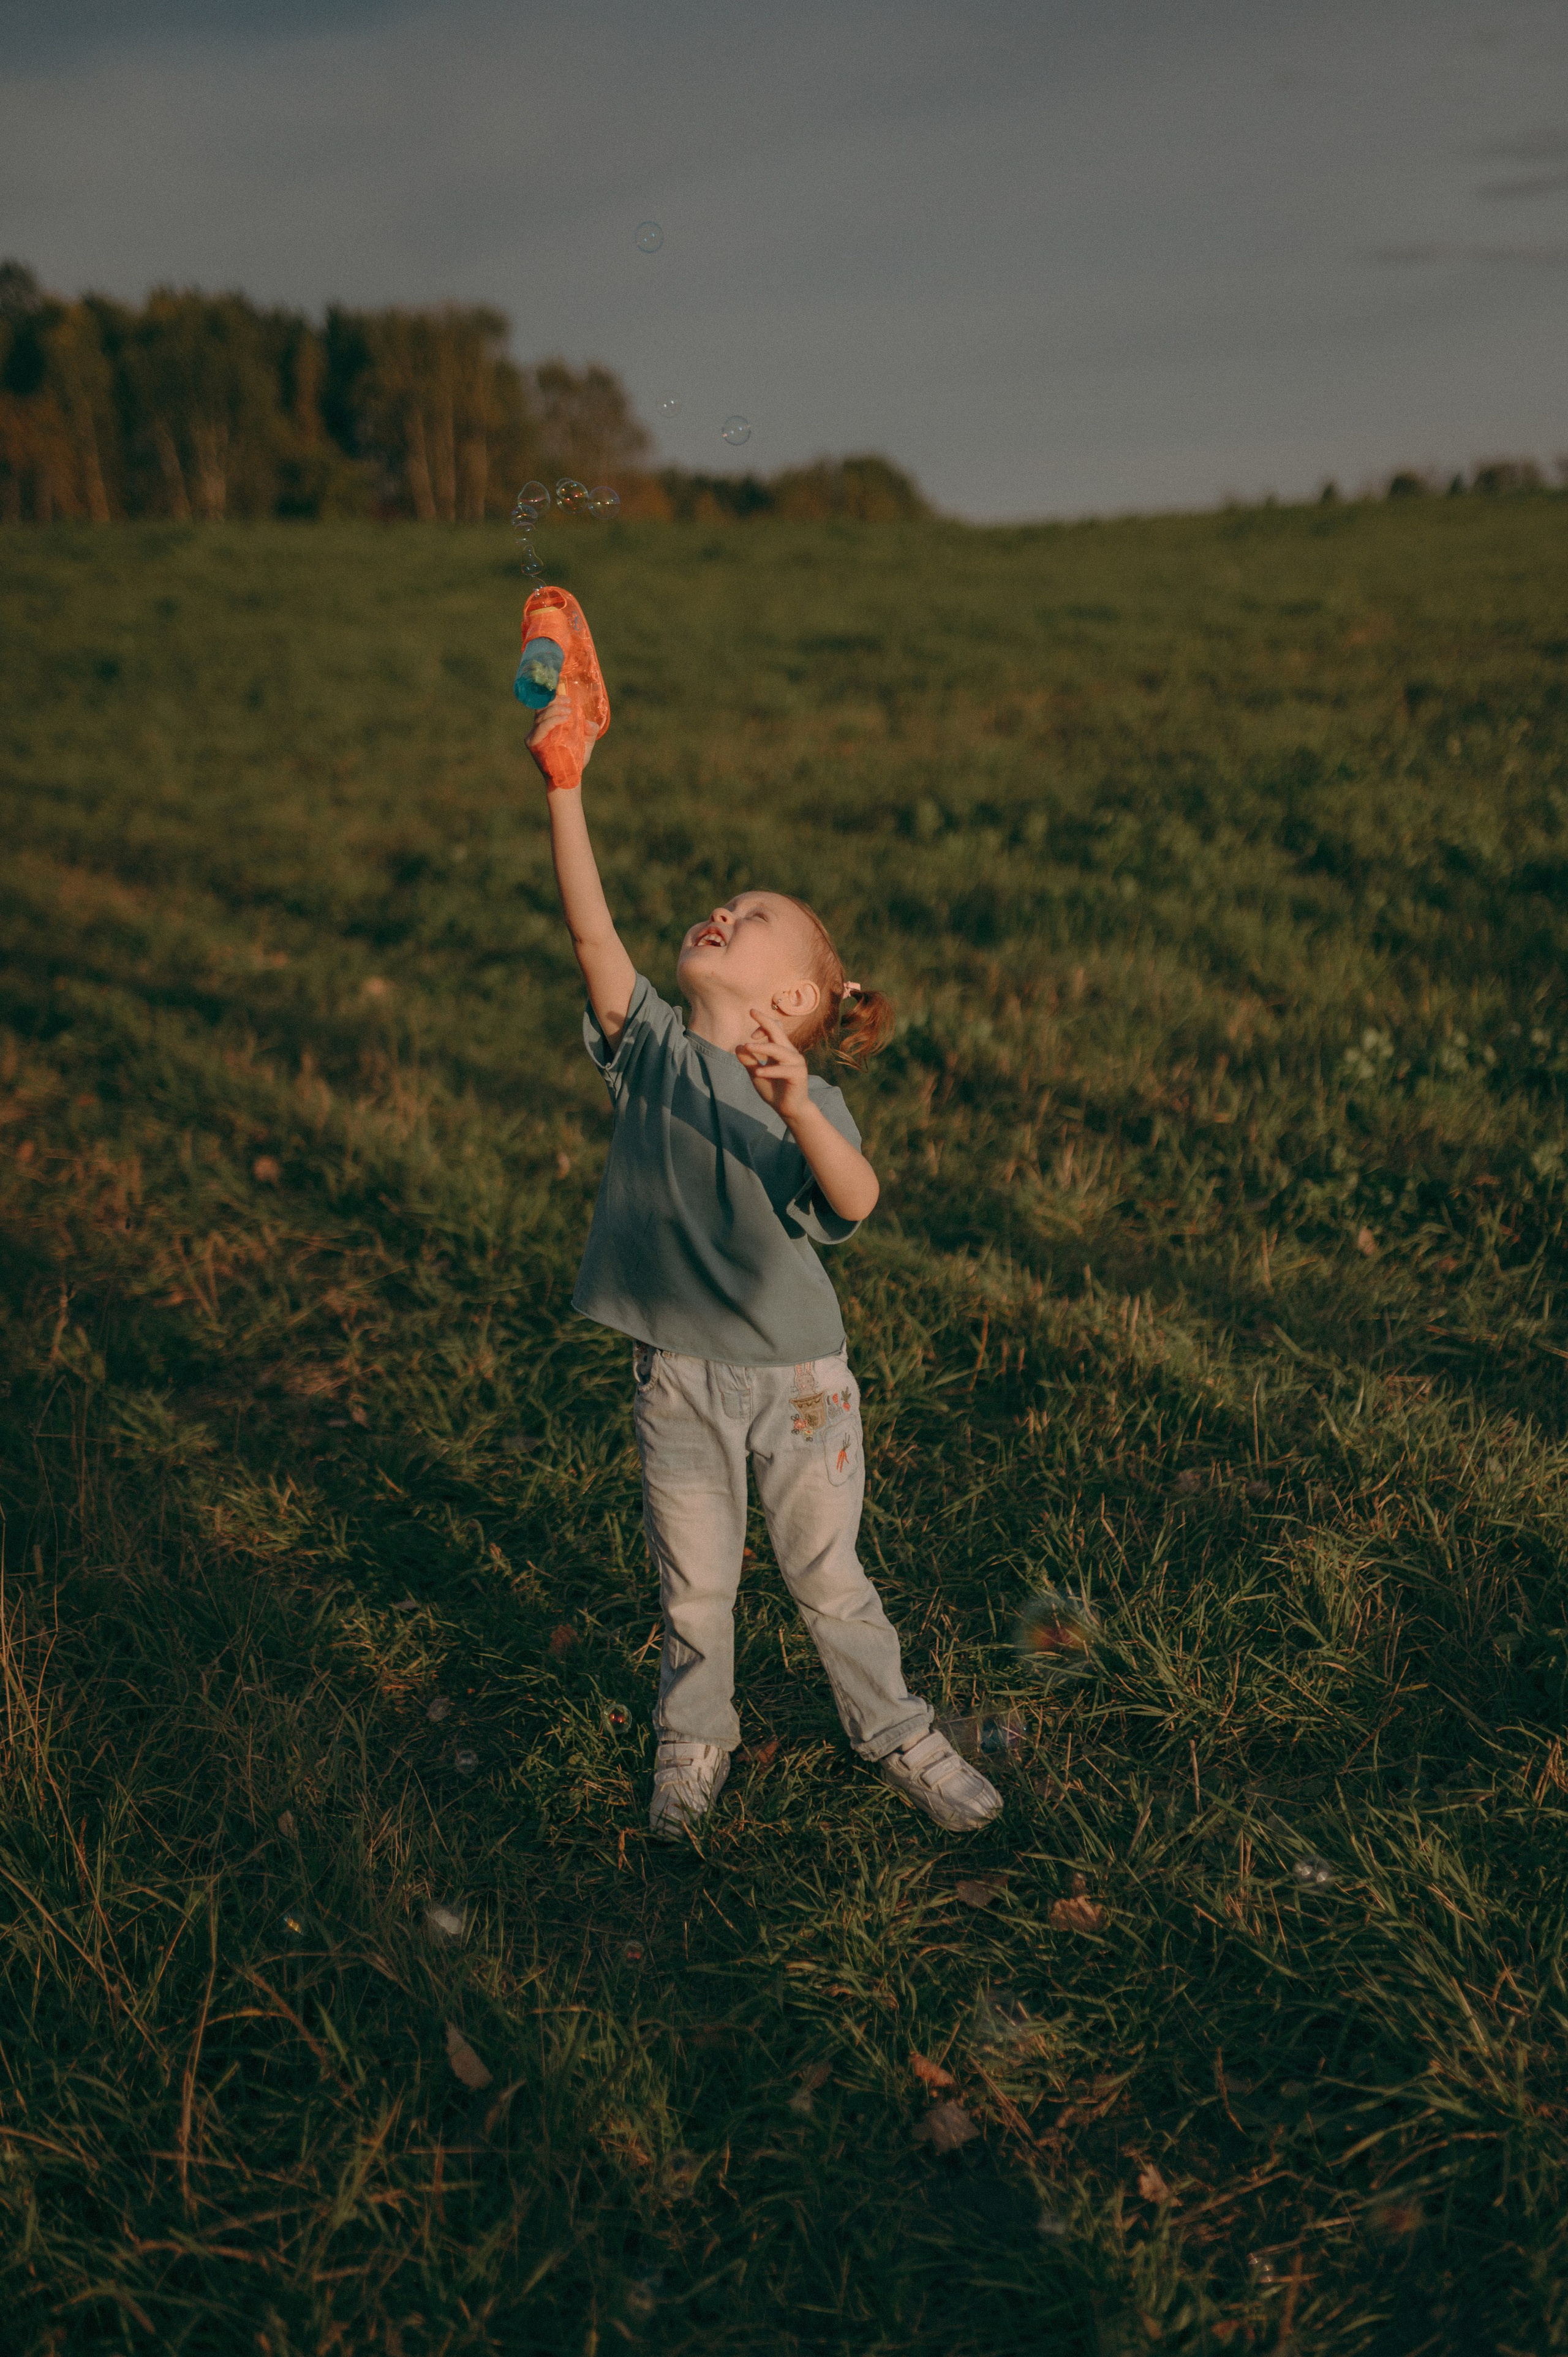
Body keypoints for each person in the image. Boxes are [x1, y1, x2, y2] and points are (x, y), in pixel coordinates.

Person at [521, 583, 1002, 1841]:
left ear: (792, 1000)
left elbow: (859, 1197)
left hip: (797, 1386)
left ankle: (894, 1730)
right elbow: (588, 933)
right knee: (693, 1589)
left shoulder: (811, 1096)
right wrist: (564, 781)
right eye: (727, 901)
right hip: (676, 1374)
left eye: (755, 917)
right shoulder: (656, 1053)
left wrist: (796, 1109)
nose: (722, 908)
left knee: (825, 1575)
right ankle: (694, 1739)